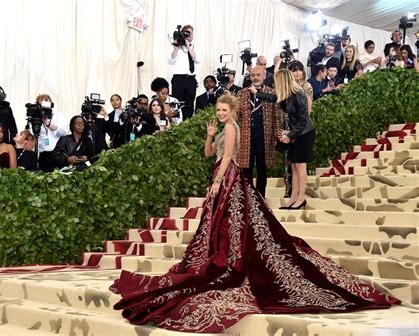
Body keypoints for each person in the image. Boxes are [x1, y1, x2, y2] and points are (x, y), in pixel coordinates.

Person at [110, 93, 399, 333]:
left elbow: (226, 160)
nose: (221, 113)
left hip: (230, 179)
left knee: (233, 226)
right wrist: (210, 136)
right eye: (219, 110)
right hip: (222, 177)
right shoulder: (223, 129)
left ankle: (230, 261)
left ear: (233, 110)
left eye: (225, 110)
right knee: (221, 226)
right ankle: (222, 257)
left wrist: (217, 183)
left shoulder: (234, 128)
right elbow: (210, 154)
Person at [237, 65, 282, 197]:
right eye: (253, 75)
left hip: (265, 136)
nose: (255, 77)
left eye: (258, 75)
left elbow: (277, 117)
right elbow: (236, 117)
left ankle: (261, 197)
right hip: (246, 136)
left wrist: (277, 135)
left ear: (264, 76)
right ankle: (248, 198)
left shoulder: (272, 93)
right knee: (246, 168)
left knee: (262, 168)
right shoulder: (242, 93)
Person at [275, 69, 316, 209]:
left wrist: (289, 136)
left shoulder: (299, 95)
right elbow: (272, 98)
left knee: (300, 165)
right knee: (294, 165)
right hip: (296, 133)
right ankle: (293, 197)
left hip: (305, 133)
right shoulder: (287, 96)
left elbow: (303, 121)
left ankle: (301, 198)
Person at [169, 24, 201, 120]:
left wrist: (188, 45)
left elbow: (197, 59)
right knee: (177, 104)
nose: (189, 35)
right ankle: (177, 123)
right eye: (186, 33)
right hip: (179, 79)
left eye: (190, 33)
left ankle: (188, 123)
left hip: (191, 79)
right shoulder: (177, 47)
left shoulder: (195, 47)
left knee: (189, 104)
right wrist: (175, 48)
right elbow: (170, 61)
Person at [33, 94, 67, 172]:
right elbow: (33, 134)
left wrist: (48, 124)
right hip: (43, 153)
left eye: (47, 101)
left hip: (58, 153)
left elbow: (63, 132)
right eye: (42, 102)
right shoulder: (36, 118)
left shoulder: (58, 116)